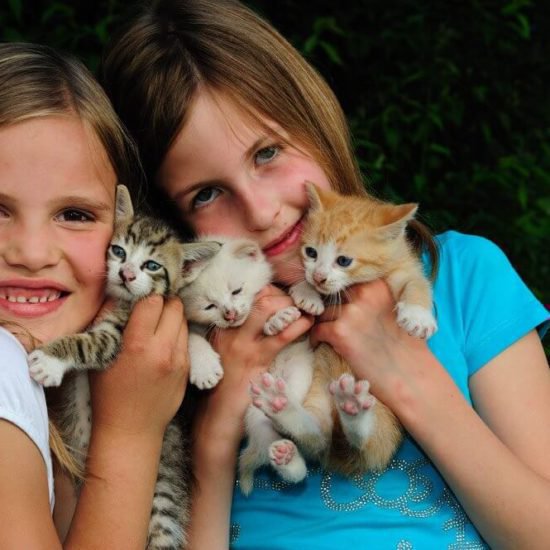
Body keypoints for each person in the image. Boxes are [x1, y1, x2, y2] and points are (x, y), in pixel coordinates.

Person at [102, 1, 550, 548]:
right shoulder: (168, 351)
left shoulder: (462, 279)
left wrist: (403, 371)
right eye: (207, 193)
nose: (262, 210)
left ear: (318, 123)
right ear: (174, 222)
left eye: (267, 153)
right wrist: (217, 427)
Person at [0, 42, 190, 548]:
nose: (32, 252)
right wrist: (129, 436)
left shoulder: (59, 399)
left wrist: (212, 453)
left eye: (75, 215)